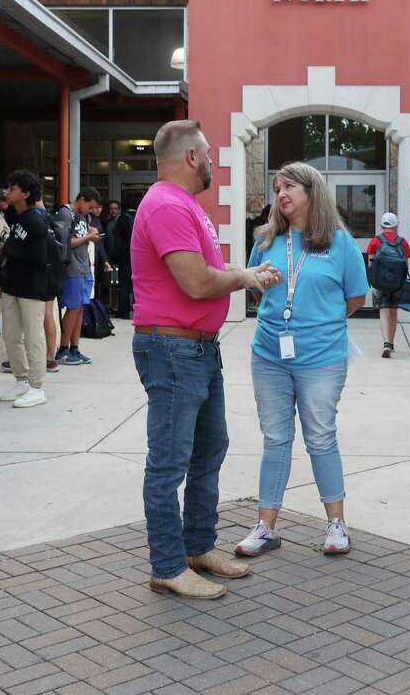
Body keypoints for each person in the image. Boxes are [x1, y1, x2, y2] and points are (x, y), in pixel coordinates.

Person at [132, 119, 279, 599]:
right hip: (174, 350)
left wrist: (242, 274)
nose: (213, 162)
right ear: (191, 157)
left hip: (195, 348)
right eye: (210, 154)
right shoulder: (166, 205)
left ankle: (197, 547)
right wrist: (245, 276)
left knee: (209, 447)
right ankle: (168, 566)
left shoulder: (185, 206)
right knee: (170, 462)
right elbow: (196, 282)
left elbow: (207, 274)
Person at [235, 163, 369, 559]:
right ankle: (266, 527)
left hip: (322, 358)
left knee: (321, 436)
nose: (281, 194)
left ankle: (336, 525)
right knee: (275, 438)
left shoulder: (340, 243)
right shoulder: (265, 239)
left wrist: (320, 323)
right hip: (269, 355)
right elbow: (257, 290)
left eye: (289, 186)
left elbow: (356, 298)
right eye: (277, 188)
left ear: (312, 192)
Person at [0, 170, 50, 409]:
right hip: (12, 286)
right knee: (11, 335)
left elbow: (40, 256)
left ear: (26, 193)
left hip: (33, 288)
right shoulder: (17, 217)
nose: (8, 192)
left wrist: (9, 251)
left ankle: (36, 387)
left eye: (14, 188)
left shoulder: (35, 220)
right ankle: (21, 380)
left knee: (33, 336)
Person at [52, 188, 102, 365]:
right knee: (73, 308)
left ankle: (75, 348)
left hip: (84, 268)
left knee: (80, 308)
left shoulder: (82, 217)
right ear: (81, 199)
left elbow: (78, 236)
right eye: (90, 206)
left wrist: (89, 232)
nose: (91, 210)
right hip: (72, 269)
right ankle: (63, 350)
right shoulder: (66, 214)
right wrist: (88, 237)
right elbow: (64, 242)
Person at [366, 212, 410, 358]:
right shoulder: (403, 242)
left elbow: (370, 264)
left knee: (384, 311)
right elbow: (406, 265)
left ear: (382, 225)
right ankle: (391, 342)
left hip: (380, 282)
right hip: (397, 282)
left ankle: (386, 343)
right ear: (396, 226)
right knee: (394, 312)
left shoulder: (375, 241)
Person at [112, 195, 140, 318]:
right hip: (138, 257)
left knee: (123, 285)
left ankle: (123, 311)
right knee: (137, 286)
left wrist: (116, 258)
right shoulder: (140, 216)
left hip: (124, 258)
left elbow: (117, 242)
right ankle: (137, 310)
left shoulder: (122, 219)